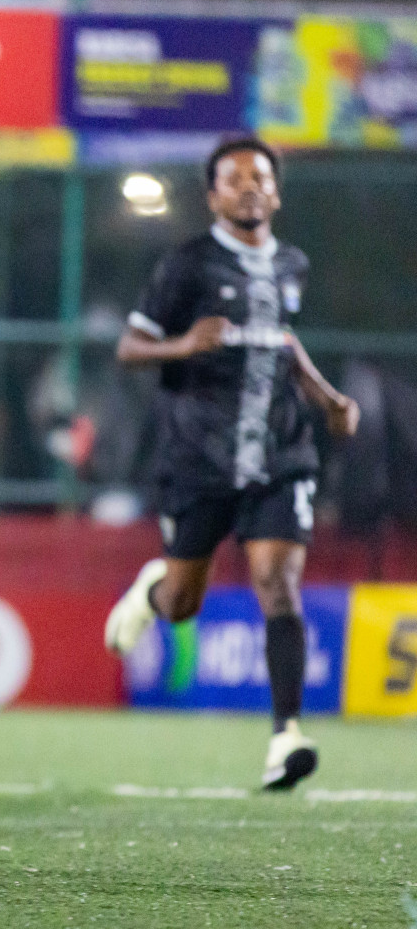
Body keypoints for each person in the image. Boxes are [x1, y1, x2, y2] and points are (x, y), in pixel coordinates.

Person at [104, 137, 358, 791]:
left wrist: (326, 398)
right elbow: (131, 347)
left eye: (260, 176)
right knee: (183, 604)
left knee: (278, 581)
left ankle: (287, 737)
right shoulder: (186, 265)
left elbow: (282, 338)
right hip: (200, 457)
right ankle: (153, 587)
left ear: (275, 191)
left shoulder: (293, 265)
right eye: (233, 178)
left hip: (281, 453)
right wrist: (185, 343)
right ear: (213, 195)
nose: (249, 186)